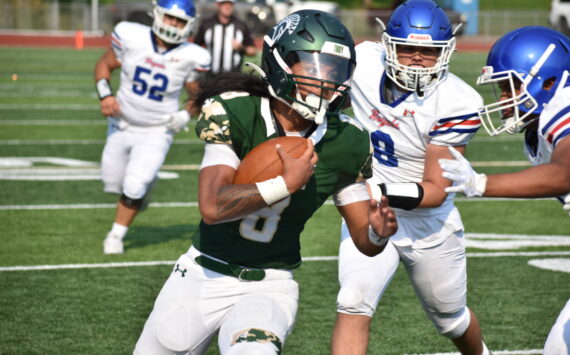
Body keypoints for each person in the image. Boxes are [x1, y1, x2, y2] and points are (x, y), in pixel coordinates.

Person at [133, 9, 398, 354]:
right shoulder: (236, 111)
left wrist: (378, 232)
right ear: (279, 63)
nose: (326, 80)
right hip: (202, 273)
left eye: (334, 71)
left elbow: (365, 240)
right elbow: (213, 206)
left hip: (269, 285)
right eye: (313, 67)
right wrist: (284, 184)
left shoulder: (346, 140)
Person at [331, 1, 490, 354]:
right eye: (407, 48)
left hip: (427, 222)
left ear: (445, 53)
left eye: (428, 51)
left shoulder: (457, 101)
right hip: (371, 207)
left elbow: (434, 190)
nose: (417, 58)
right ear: (388, 45)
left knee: (451, 319)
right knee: (353, 299)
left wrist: (370, 189)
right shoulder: (365, 62)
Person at [438, 26, 570, 355]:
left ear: (548, 80)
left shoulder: (562, 106)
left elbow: (566, 173)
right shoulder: (540, 128)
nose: (503, 100)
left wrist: (481, 183)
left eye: (509, 87)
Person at [94, 0, 211, 254]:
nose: (173, 24)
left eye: (180, 21)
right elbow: (104, 65)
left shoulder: (192, 55)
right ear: (157, 15)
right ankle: (140, 191)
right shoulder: (131, 36)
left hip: (158, 130)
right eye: (170, 17)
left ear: (189, 25)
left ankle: (116, 235)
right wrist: (105, 95)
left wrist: (185, 114)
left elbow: (196, 95)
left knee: (134, 184)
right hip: (121, 123)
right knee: (113, 183)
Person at [193, 0, 257, 74]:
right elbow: (195, 48)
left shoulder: (241, 25)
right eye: (224, 3)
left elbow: (253, 51)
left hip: (233, 77)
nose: (227, 6)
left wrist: (241, 47)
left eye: (229, 3)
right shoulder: (207, 24)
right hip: (211, 77)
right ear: (218, 5)